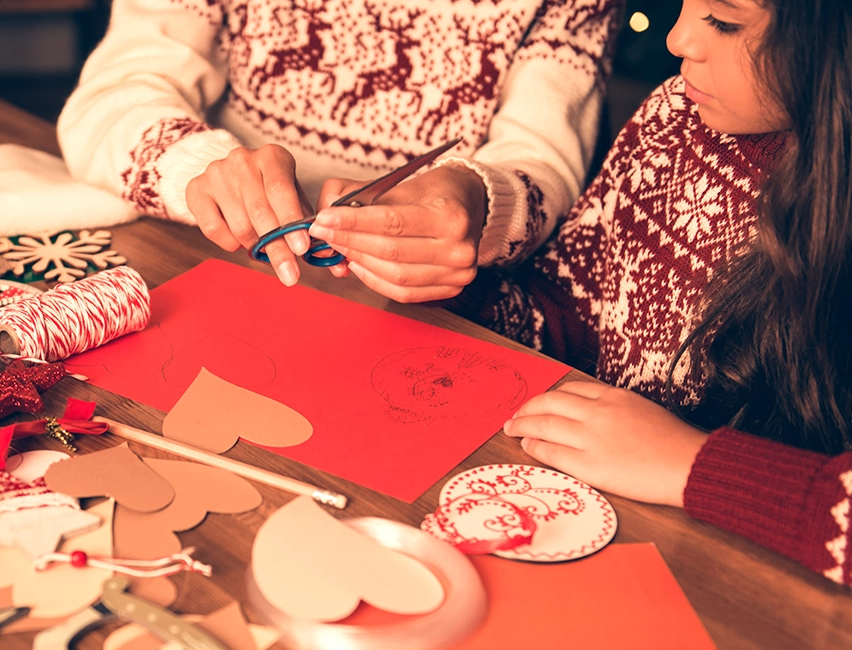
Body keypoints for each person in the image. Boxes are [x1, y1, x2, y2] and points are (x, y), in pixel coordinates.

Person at [317, 0, 852, 585]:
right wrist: (443, 274)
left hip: (751, 588)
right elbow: (565, 320)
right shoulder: (679, 115)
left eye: (725, 22)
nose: (676, 40)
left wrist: (691, 465)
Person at [57, 0, 621, 292]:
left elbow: (544, 166)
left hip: (433, 312)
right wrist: (202, 171)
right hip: (216, 266)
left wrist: (479, 202)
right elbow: (111, 97)